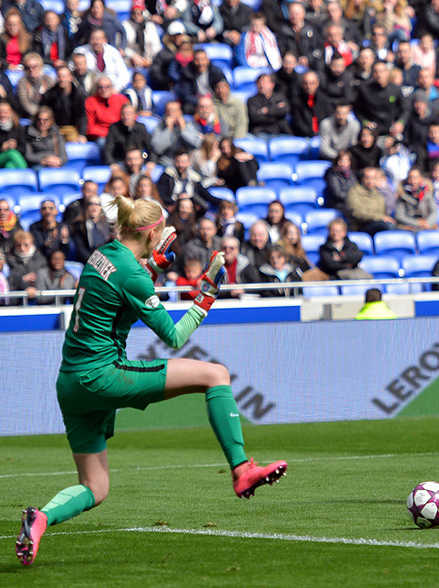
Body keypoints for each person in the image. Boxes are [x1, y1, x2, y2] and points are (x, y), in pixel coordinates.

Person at [14, 197, 288, 566]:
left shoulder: (103, 254)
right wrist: (205, 296)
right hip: (102, 375)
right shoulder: (134, 274)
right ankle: (241, 470)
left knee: (96, 487)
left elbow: (120, 295)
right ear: (154, 233)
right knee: (215, 375)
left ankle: (41, 518)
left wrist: (152, 266)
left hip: (71, 382)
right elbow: (174, 335)